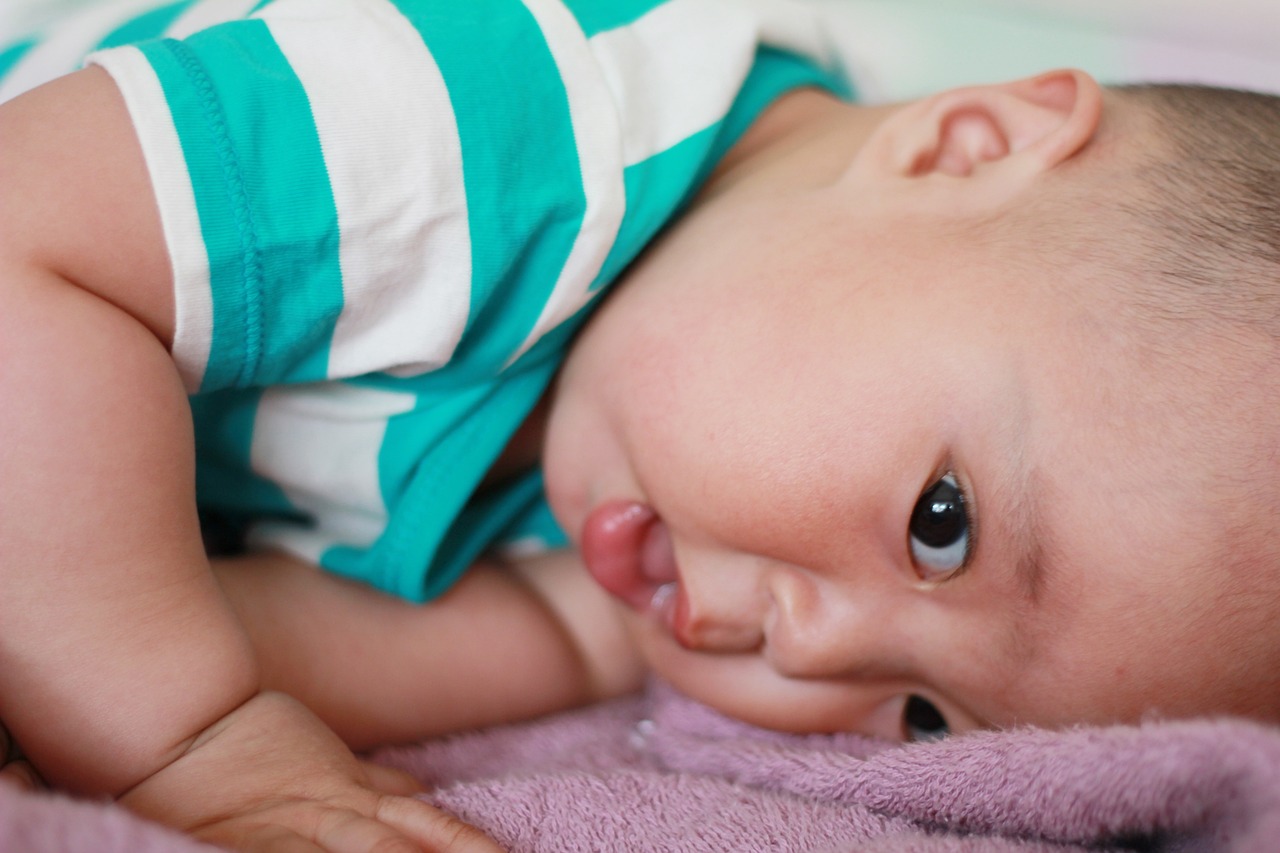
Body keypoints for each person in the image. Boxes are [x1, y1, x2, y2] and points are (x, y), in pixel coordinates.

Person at [1, 0, 1278, 850]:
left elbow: (242, 630)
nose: (810, 647)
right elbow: (23, 241)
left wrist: (141, 691)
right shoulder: (499, 121)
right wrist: (189, 739)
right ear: (963, 151)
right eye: (939, 527)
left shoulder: (662, 505)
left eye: (924, 713)